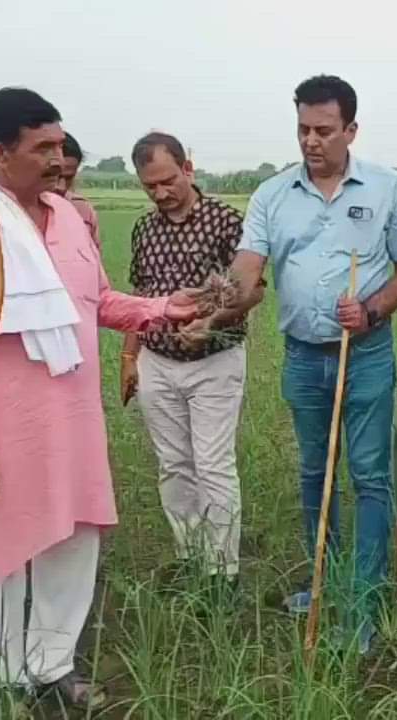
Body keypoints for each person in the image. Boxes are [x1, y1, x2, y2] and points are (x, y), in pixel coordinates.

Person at [0, 87, 201, 708]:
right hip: (0, 423)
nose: (58, 159)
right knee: (4, 554)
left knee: (75, 538)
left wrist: (160, 308)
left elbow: (97, 301)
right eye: (41, 147)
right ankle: (7, 676)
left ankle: (52, 667)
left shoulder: (69, 215)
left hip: (73, 417)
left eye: (59, 144)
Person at [225, 74, 397, 654]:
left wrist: (372, 310)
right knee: (316, 472)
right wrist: (222, 300)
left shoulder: (386, 187)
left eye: (323, 130)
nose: (311, 141)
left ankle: (362, 597)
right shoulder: (271, 194)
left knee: (368, 476)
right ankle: (323, 580)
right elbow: (248, 266)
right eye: (302, 130)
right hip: (302, 358)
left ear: (350, 130)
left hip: (363, 356)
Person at [119, 131, 262, 597]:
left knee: (212, 464)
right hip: (158, 361)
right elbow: (137, 300)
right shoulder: (145, 229)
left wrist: (212, 320)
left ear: (187, 169)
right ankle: (189, 556)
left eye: (167, 181)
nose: (160, 193)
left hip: (214, 360)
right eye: (150, 186)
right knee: (173, 464)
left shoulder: (225, 222)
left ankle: (223, 572)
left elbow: (254, 289)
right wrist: (129, 356)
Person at [53, 131, 100, 249]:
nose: (61, 187)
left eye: (68, 178)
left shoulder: (82, 210)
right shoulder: (16, 213)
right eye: (55, 176)